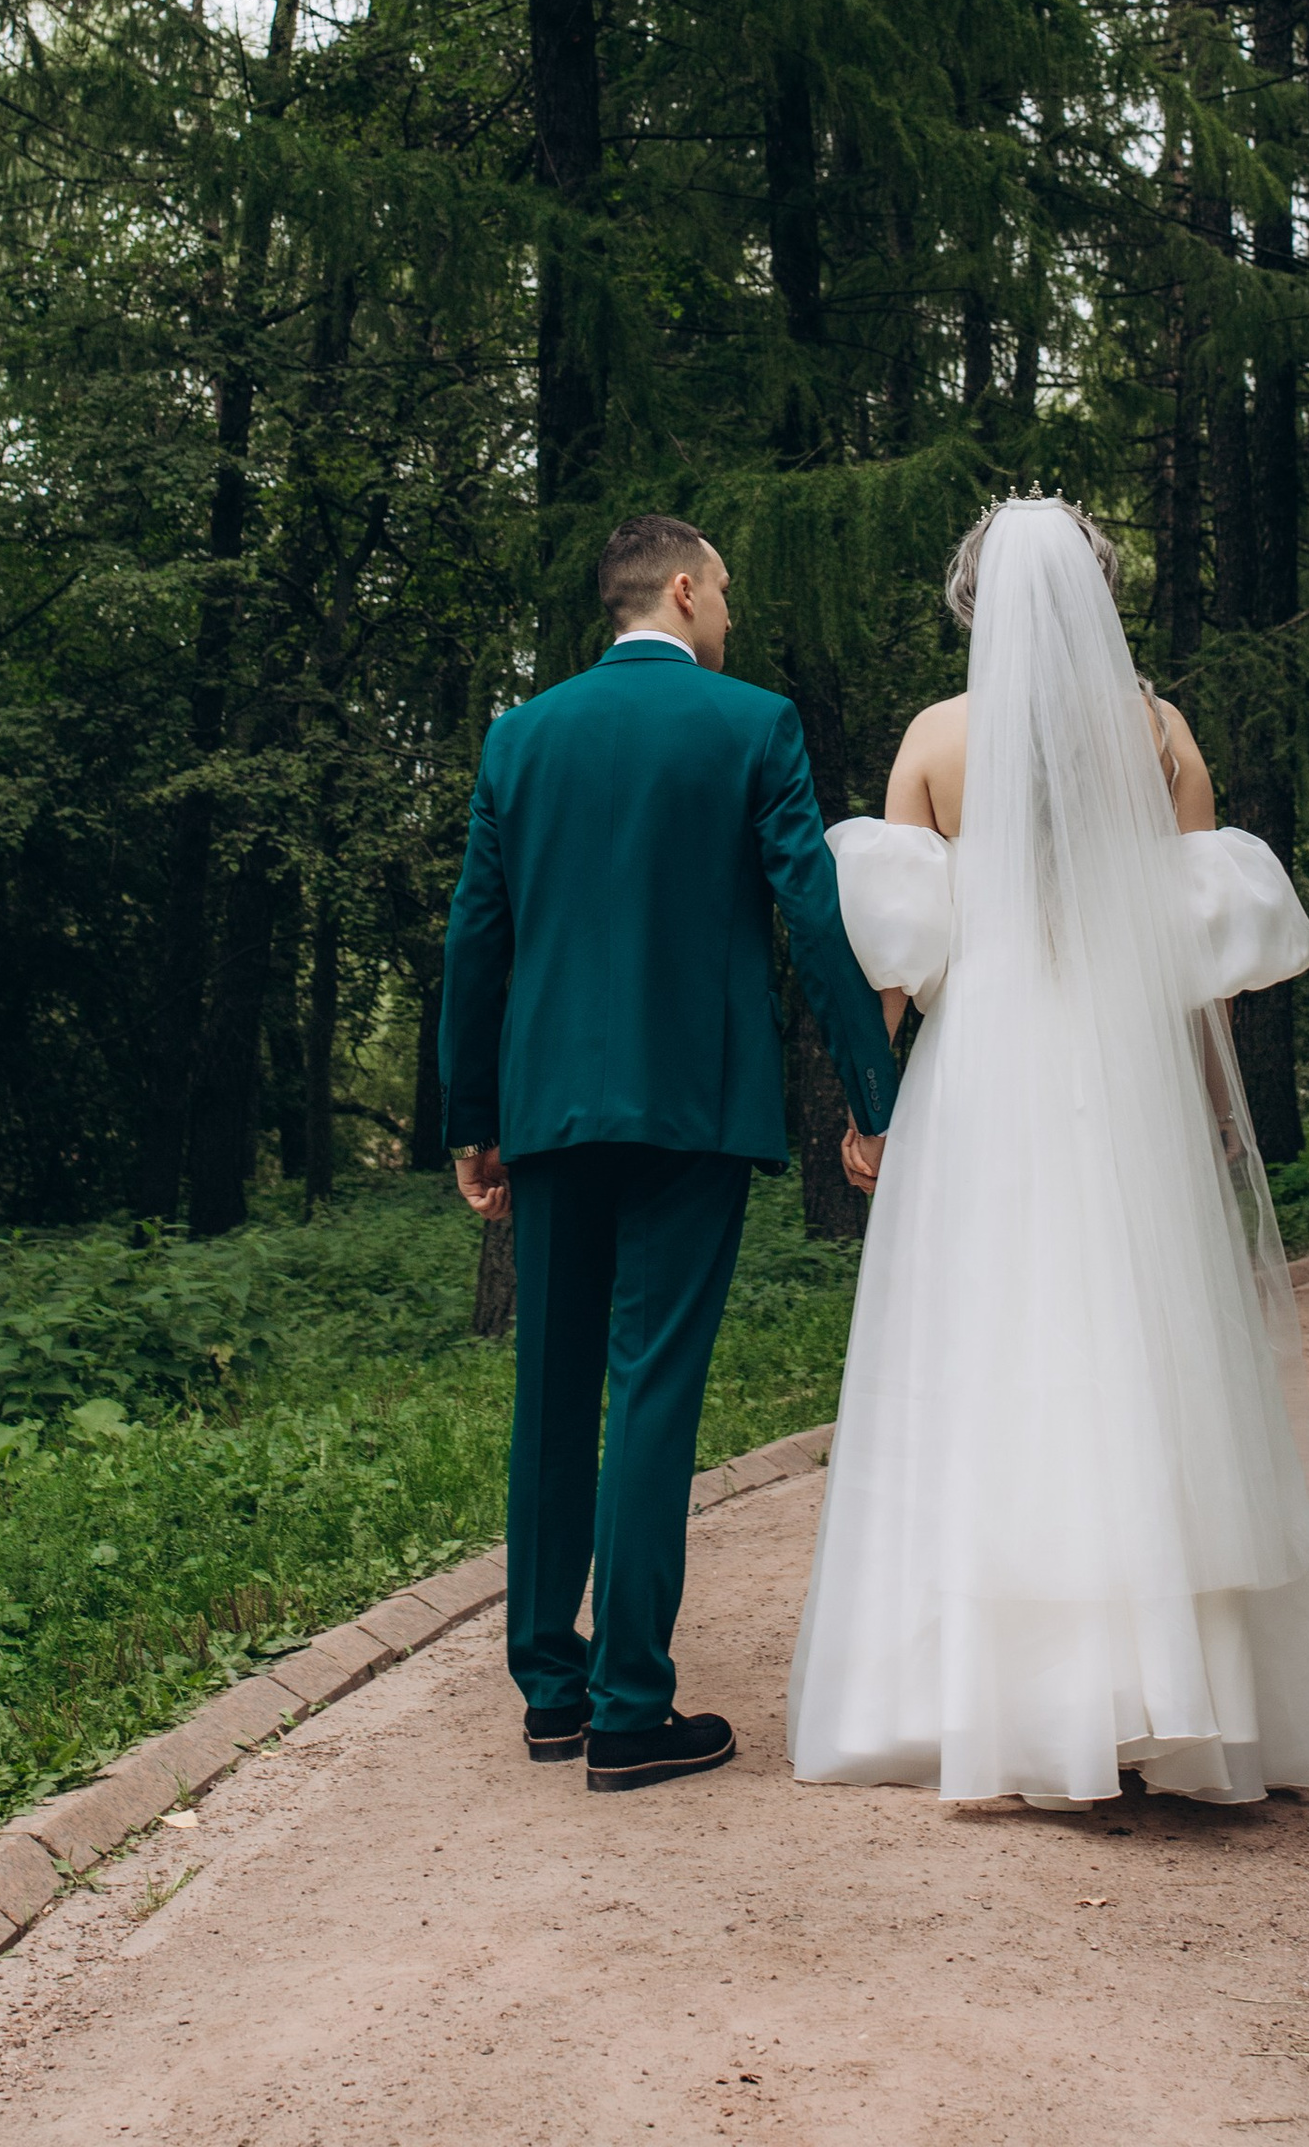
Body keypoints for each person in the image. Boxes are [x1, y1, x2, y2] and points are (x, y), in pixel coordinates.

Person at [787, 494, 1309, 1810]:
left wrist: (870, 1104)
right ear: (1098, 597)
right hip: (1123, 1064)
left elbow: (902, 951)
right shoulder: (1159, 736)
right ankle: (1169, 1689)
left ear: (978, 602)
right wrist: (1211, 1092)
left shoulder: (936, 741)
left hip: (988, 1066)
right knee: (1141, 1340)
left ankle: (988, 1699)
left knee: (992, 1342)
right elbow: (1192, 940)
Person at [440, 513, 898, 1793]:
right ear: (683, 590)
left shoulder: (519, 737)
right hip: (692, 1105)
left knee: (552, 1390)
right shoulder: (750, 726)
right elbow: (811, 912)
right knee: (649, 1387)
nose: (735, 616)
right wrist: (875, 1097)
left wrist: (472, 1120)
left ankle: (550, 1690)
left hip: (546, 1110)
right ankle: (632, 1707)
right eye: (729, 592)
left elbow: (477, 940)